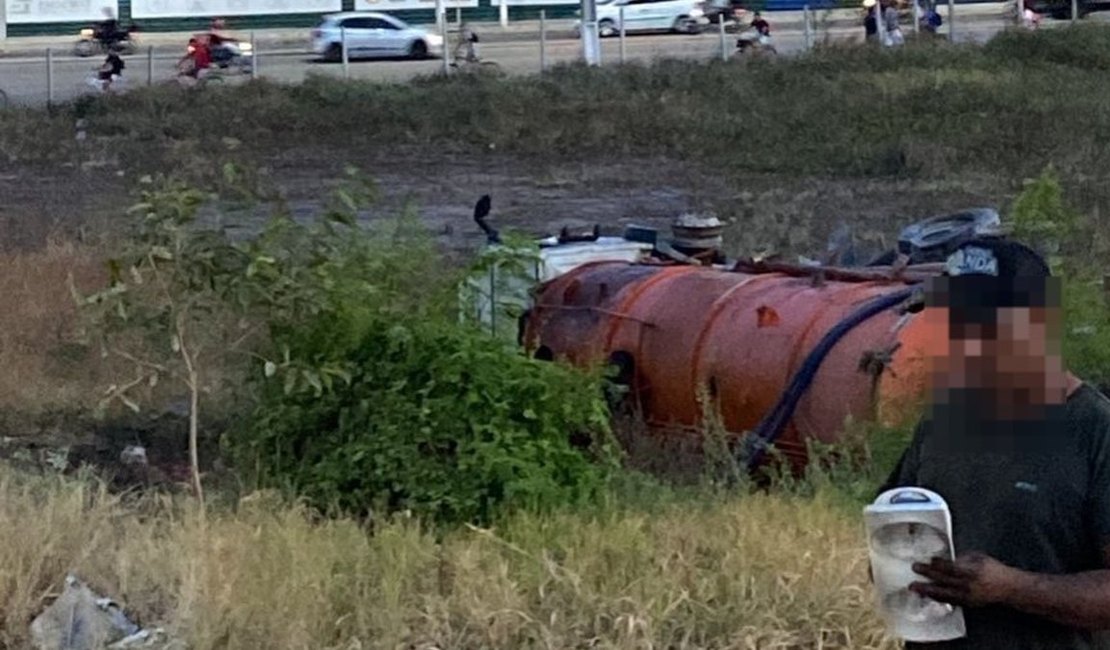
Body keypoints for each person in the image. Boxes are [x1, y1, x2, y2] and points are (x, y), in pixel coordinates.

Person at [877, 236, 1110, 649]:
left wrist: (1010, 588)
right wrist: (895, 563)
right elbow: (892, 529)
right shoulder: (944, 421)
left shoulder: (1095, 432)